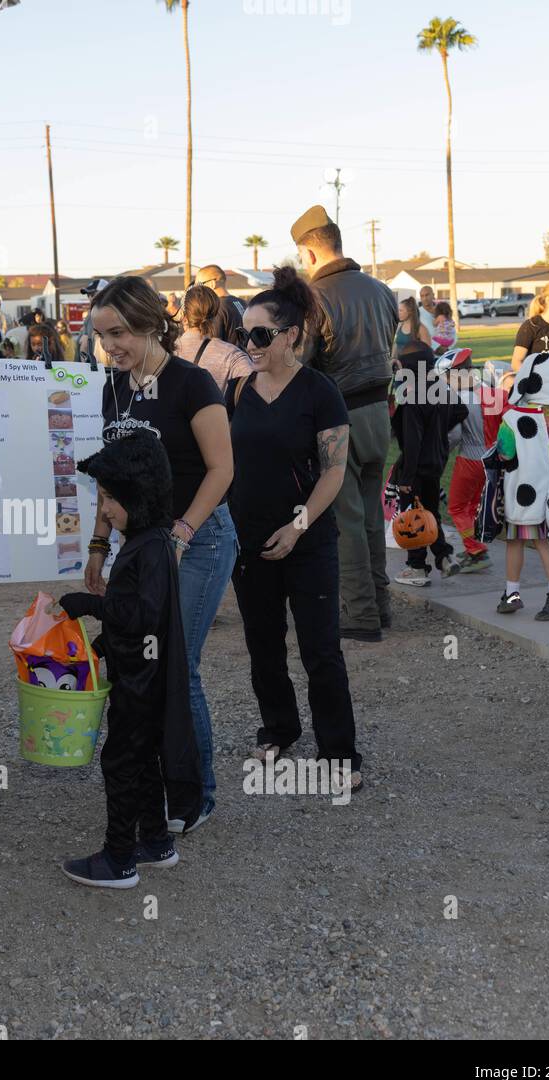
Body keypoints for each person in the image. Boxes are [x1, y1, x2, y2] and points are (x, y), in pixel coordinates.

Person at [89, 274, 236, 830]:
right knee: (143, 666)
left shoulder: (192, 384)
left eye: (120, 333)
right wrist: (100, 548)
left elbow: (222, 470)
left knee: (180, 666)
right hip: (142, 548)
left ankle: (197, 794)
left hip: (198, 541)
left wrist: (181, 533)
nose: (111, 348)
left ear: (152, 323)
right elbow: (111, 478)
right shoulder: (114, 387)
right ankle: (163, 781)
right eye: (103, 337)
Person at [225, 267, 362, 793]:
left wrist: (298, 526)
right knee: (263, 644)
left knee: (320, 649)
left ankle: (339, 752)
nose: (249, 343)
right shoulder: (235, 391)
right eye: (243, 333)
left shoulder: (320, 392)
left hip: (308, 541)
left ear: (291, 334)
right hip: (247, 541)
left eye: (260, 334)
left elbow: (334, 470)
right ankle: (279, 727)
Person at [55, 432, 198, 888]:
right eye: (102, 498)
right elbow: (136, 618)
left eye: (113, 498)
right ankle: (155, 842)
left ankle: (119, 860)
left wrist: (90, 605)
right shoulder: (144, 541)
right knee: (142, 761)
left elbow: (142, 615)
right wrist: (97, 648)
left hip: (143, 683)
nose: (105, 510)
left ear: (140, 494)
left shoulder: (153, 548)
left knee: (121, 763)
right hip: (140, 674)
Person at [292, 204, 400, 642]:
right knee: (373, 515)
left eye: (302, 258)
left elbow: (304, 363)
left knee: (347, 519)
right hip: (380, 413)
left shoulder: (315, 298)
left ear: (310, 253)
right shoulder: (381, 290)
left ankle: (360, 614)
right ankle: (380, 602)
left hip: (341, 417)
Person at [495, 351, 549, 621]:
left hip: (524, 493)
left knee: (517, 542)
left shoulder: (512, 418)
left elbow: (505, 454)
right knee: (546, 541)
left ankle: (522, 593)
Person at [389, 342, 466, 586]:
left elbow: (412, 444)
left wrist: (406, 479)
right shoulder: (439, 389)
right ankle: (444, 557)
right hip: (437, 462)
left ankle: (417, 567)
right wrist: (439, 431)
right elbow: (460, 411)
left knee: (413, 519)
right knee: (430, 513)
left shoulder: (413, 399)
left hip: (416, 469)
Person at [445, 348, 506, 572]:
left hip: (469, 459)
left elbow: (455, 435)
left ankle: (476, 551)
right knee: (472, 506)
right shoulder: (491, 392)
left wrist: (443, 452)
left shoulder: (459, 399)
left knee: (457, 507)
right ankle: (475, 546)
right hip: (492, 459)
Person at [175, 284, 255, 394]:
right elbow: (255, 390)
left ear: (184, 317)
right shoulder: (232, 355)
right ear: (216, 312)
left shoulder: (165, 352)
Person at [195, 264, 247, 346]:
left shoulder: (216, 307)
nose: (197, 289)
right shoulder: (242, 302)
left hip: (226, 357)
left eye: (199, 284)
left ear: (212, 283)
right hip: (245, 356)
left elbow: (213, 345)